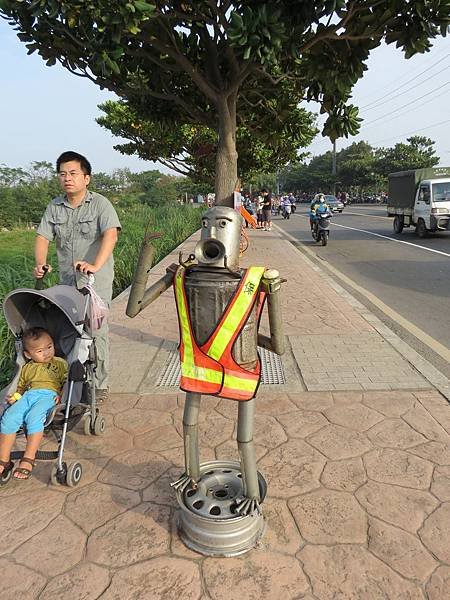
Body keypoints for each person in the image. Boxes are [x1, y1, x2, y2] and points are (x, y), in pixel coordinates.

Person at [34, 151, 121, 403]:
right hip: (66, 281)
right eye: (62, 174)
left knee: (96, 330)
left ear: (86, 178)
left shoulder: (100, 204)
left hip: (96, 281)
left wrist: (95, 265)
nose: (67, 178)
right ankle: (74, 379)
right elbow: (42, 237)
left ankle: (99, 384)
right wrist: (41, 264)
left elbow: (111, 235)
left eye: (73, 173)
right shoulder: (55, 206)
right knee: (68, 329)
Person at [0, 328, 67, 480]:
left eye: (49, 347)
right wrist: (15, 397)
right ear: (28, 355)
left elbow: (67, 382)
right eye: (40, 351)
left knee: (34, 417)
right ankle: (4, 460)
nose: (47, 353)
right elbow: (21, 387)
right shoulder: (27, 368)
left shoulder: (60, 363)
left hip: (49, 395)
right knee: (9, 417)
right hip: (28, 395)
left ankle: (29, 458)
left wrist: (61, 395)